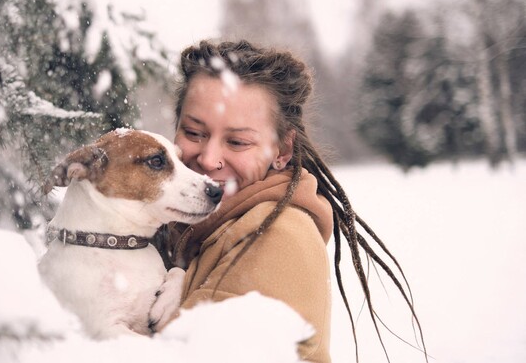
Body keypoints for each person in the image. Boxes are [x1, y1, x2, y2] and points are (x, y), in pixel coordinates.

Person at [152, 40, 426, 363]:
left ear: (281, 151)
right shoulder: (191, 227)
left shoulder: (276, 238)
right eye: (195, 133)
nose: (209, 159)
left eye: (237, 142)